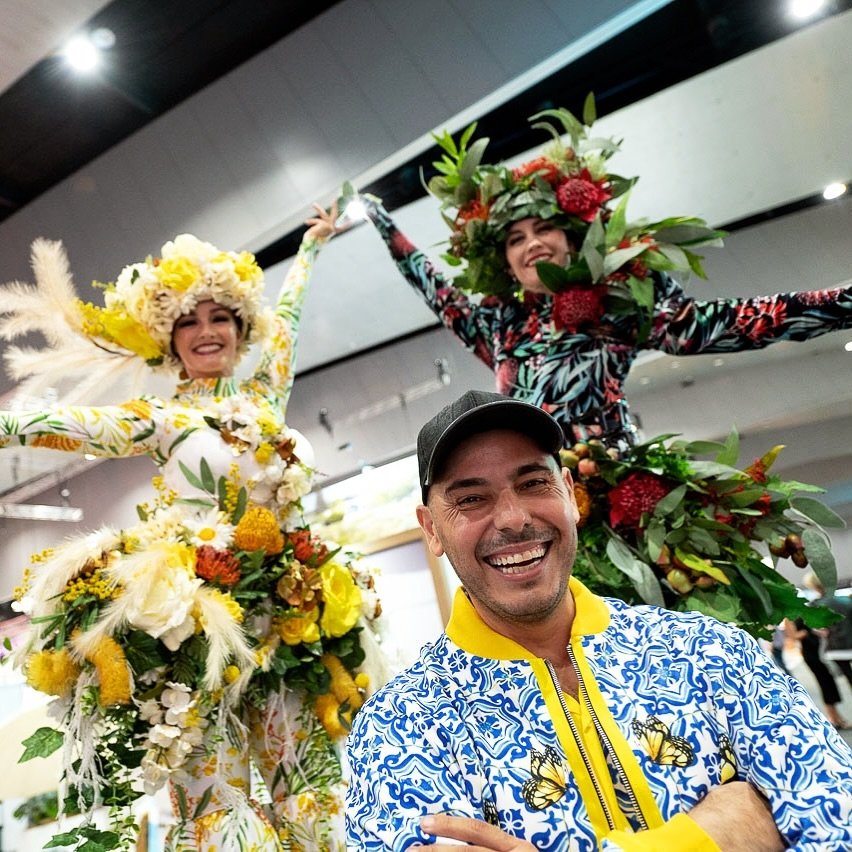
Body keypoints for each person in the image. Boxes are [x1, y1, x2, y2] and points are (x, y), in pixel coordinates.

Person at [354, 98, 850, 631]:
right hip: (532, 508)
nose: (531, 244)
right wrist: (380, 219)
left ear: (575, 239)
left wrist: (842, 304)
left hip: (620, 513)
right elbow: (435, 287)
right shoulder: (499, 325)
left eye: (545, 229)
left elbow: (733, 321)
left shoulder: (618, 308)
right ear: (503, 261)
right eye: (515, 239)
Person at [1, 204, 383, 852]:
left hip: (288, 631)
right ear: (170, 338)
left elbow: (287, 317)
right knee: (214, 814)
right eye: (190, 321)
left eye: (221, 318)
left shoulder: (265, 397)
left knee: (314, 798)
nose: (207, 332)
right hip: (196, 644)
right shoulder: (161, 418)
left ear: (239, 329)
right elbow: (78, 425)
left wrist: (312, 245)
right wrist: (9, 426)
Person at [345, 390, 852, 851]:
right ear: (432, 529)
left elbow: (840, 813)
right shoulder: (403, 728)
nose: (514, 519)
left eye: (533, 482)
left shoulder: (706, 651)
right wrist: (719, 831)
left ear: (570, 494)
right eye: (471, 499)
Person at [785, 617, 848, 729]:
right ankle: (833, 718)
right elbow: (793, 636)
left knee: (829, 682)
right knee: (825, 683)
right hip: (811, 655)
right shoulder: (788, 620)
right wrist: (807, 632)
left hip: (819, 651)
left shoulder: (804, 613)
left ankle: (837, 717)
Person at [804, 570, 852, 690]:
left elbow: (819, 630)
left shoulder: (816, 605)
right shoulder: (846, 600)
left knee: (849, 676)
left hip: (835, 647)